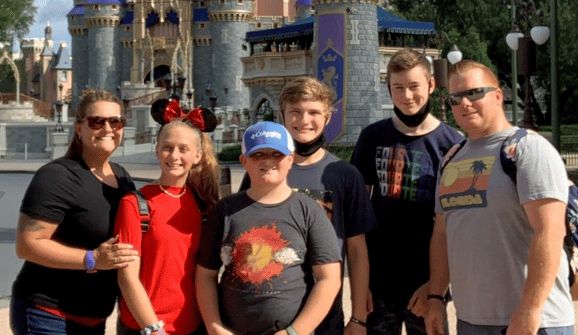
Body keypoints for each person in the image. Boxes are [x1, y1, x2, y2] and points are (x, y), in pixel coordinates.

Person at [425, 60, 574, 335]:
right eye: (454, 98)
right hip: (471, 320)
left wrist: (529, 310)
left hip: (533, 321)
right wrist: (435, 297)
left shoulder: (528, 149)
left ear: (497, 95)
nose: (464, 103)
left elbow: (550, 231)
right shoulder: (451, 159)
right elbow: (442, 234)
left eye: (474, 93)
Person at [240, 77, 377, 335]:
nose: (304, 120)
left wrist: (358, 317)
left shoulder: (345, 175)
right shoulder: (262, 171)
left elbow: (357, 250)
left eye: (314, 112)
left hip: (324, 315)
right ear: (282, 115)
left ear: (327, 118)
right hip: (267, 311)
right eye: (296, 111)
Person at [350, 49, 463, 335]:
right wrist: (360, 287)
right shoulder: (372, 137)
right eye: (398, 88)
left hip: (425, 280)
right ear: (388, 89)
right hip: (379, 282)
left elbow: (456, 224)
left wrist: (436, 288)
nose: (407, 96)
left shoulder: (452, 144)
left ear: (431, 85)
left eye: (414, 86)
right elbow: (357, 218)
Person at [11, 89, 138, 335]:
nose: (108, 128)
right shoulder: (57, 176)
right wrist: (92, 260)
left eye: (116, 121)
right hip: (48, 315)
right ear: (79, 128)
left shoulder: (122, 177)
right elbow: (27, 245)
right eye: (97, 121)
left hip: (93, 319)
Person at [196, 121, 342, 335]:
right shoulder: (225, 210)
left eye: (277, 154)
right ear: (244, 161)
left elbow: (329, 278)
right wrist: (214, 326)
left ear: (290, 159)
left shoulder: (309, 210)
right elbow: (205, 275)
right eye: (257, 155)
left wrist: (295, 332)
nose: (268, 161)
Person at [114, 100, 220, 335]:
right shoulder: (135, 204)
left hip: (193, 326)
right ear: (157, 150)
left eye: (183, 149)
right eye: (167, 147)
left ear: (198, 156)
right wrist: (153, 328)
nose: (174, 156)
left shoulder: (203, 205)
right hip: (147, 327)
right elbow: (127, 278)